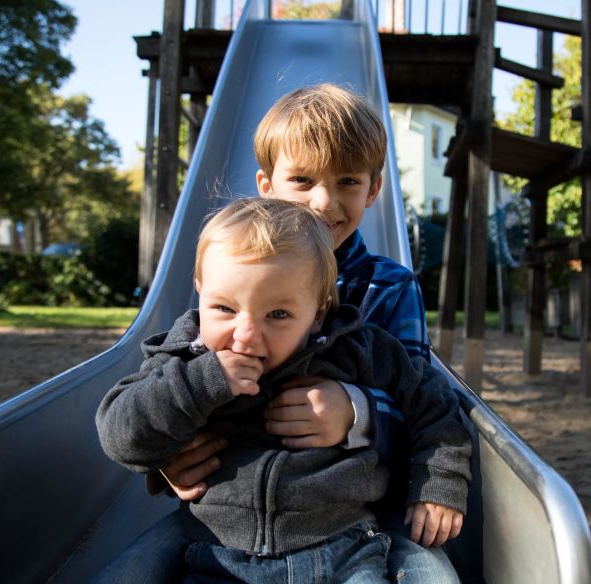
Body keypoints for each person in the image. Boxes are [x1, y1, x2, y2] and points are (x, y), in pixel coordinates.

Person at [93, 84, 463, 583]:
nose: (323, 201)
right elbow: (163, 393)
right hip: (228, 517)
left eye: (347, 181)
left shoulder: (386, 287)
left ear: (373, 190)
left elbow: (424, 401)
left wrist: (358, 413)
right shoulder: (237, 272)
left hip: (347, 511)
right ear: (267, 185)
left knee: (430, 571)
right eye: (303, 180)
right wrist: (163, 463)